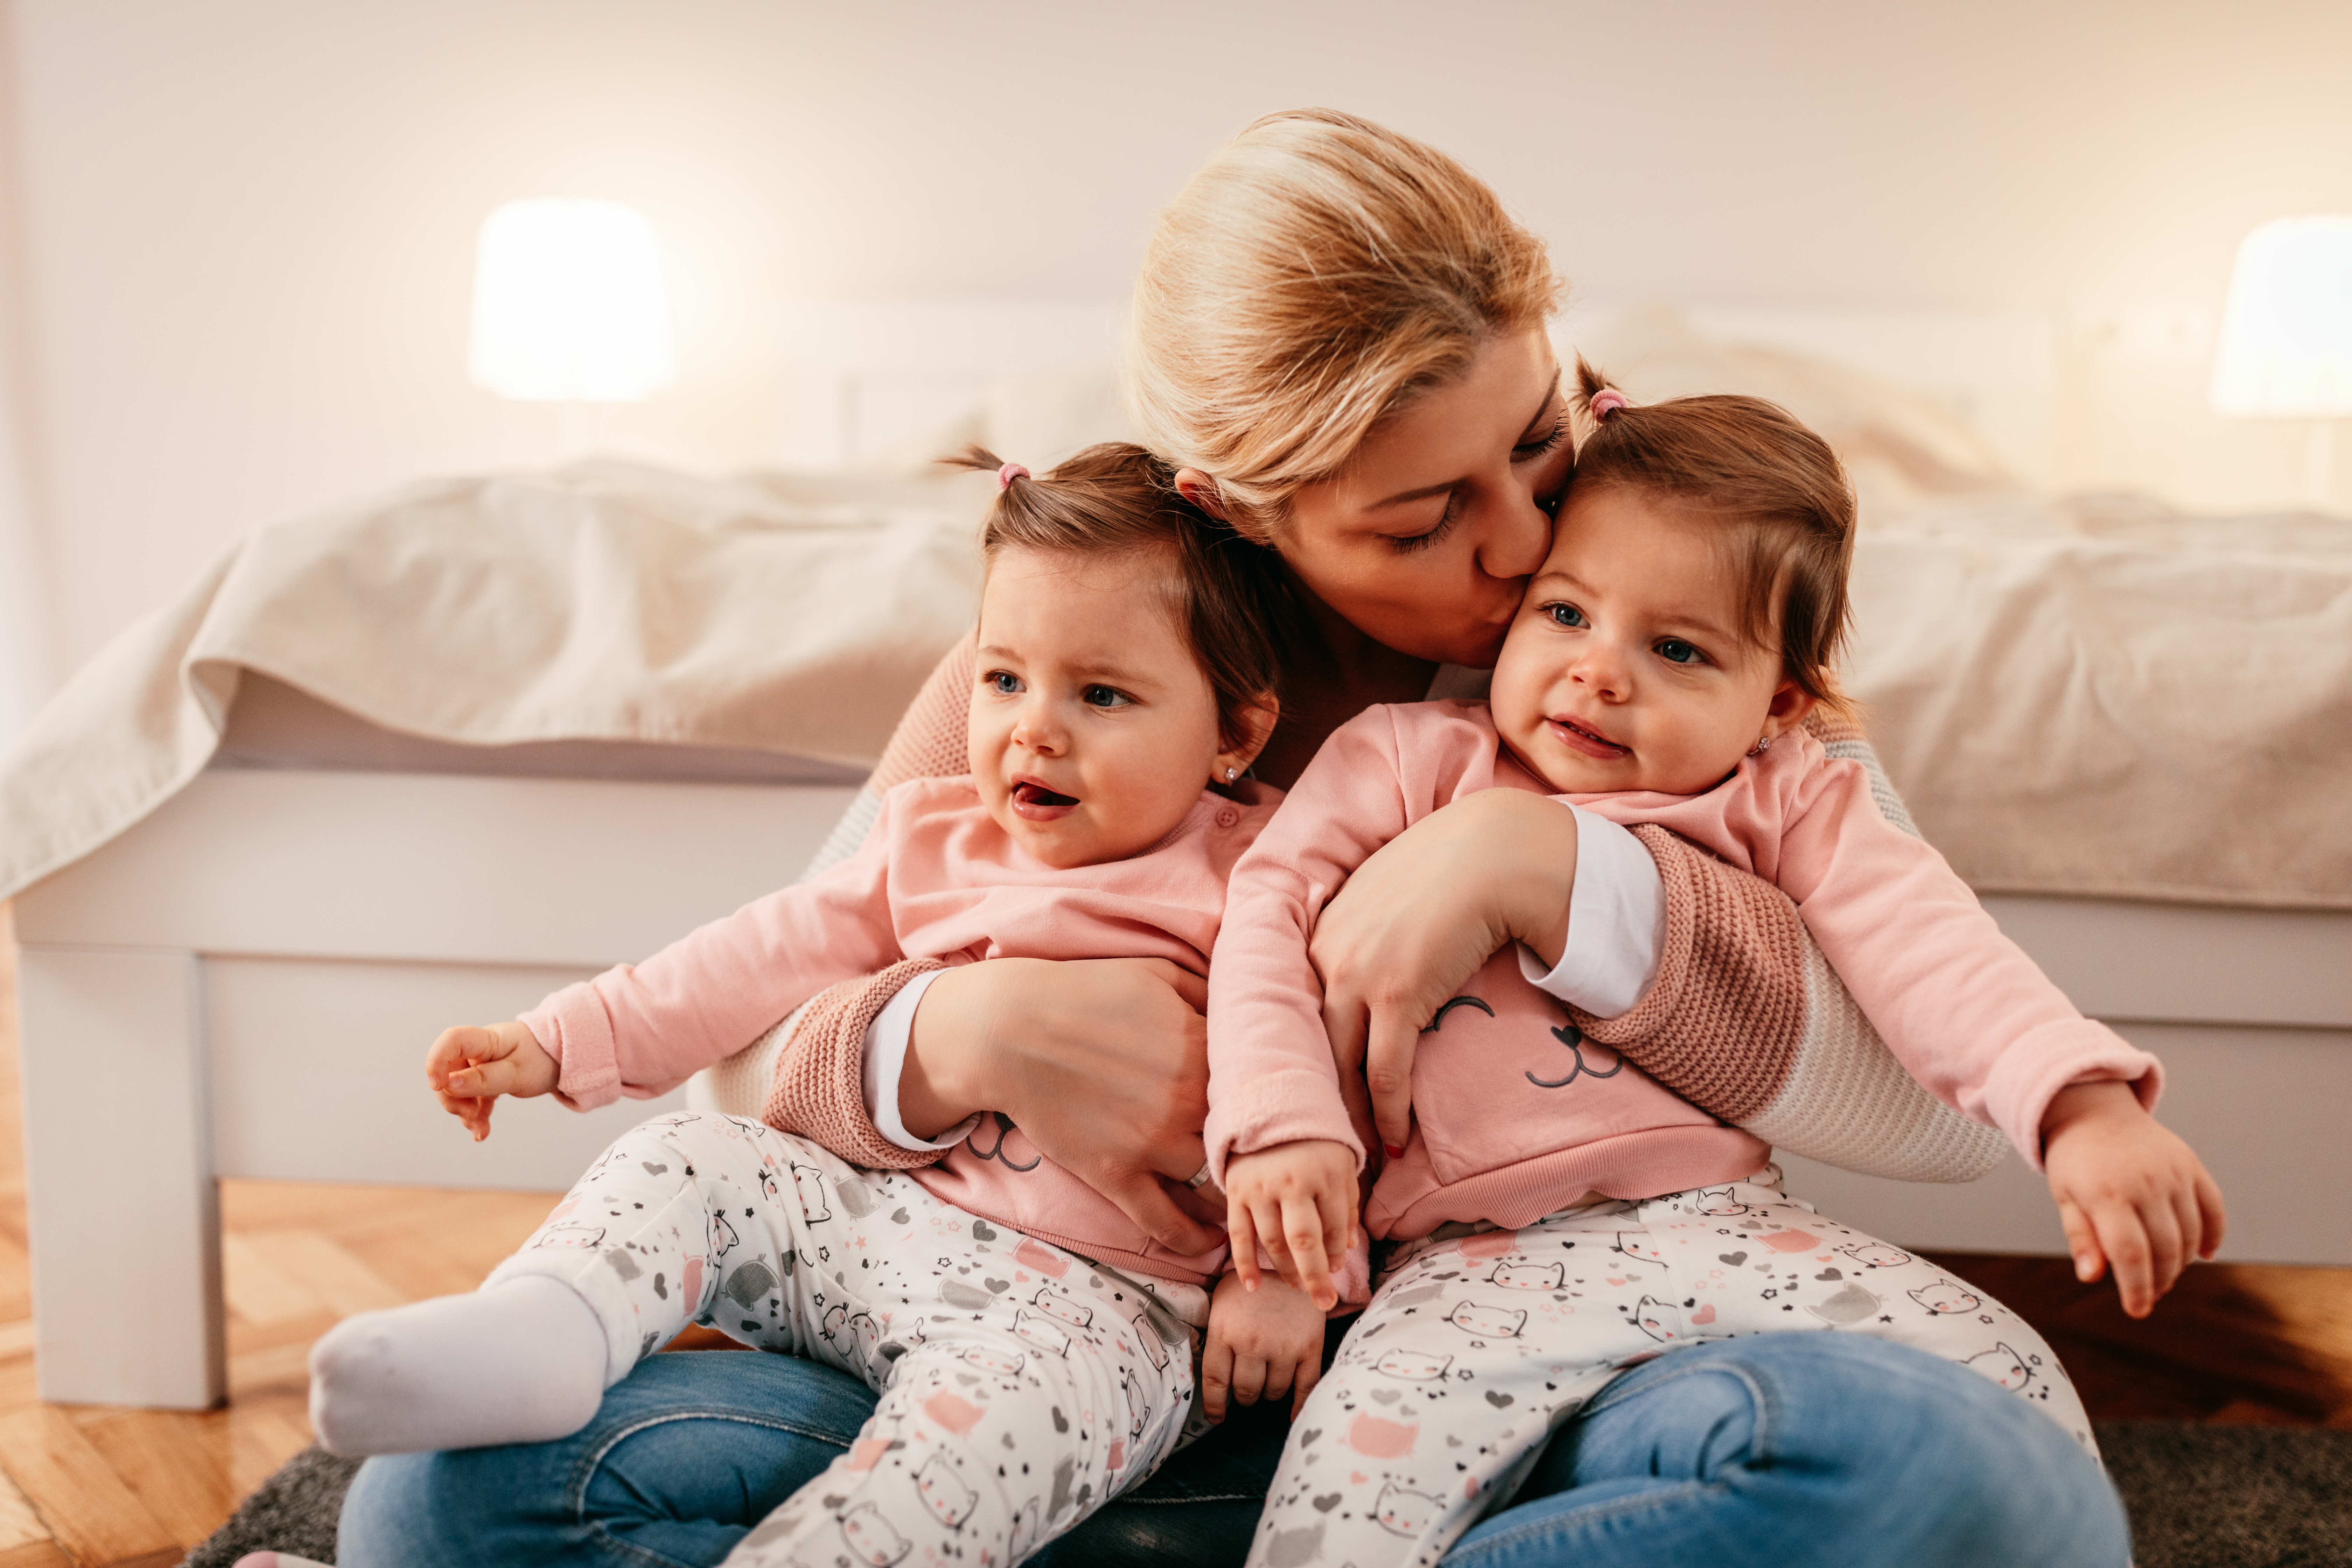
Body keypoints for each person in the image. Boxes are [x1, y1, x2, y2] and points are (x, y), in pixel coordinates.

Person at [335, 110, 2149, 1567]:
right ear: (1244, 510)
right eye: (1432, 513)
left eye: (1545, 432)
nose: (1526, 547)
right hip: (1070, 1359)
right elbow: (784, 994)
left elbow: (1920, 1111)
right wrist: (942, 1042)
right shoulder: (1098, 646)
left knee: (1968, 1490)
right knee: (443, 1501)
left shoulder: (1656, 590)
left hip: (1566, 1367)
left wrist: (1548, 876)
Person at [1209, 369, 2223, 1567]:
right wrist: (1279, 1157)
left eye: (1679, 648)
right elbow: (1262, 919)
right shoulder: (1405, 757)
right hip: (1465, 1264)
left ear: (1777, 699)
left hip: (1723, 1224)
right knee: (1343, 1508)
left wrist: (2081, 1107)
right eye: (1566, 614)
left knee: (2017, 1394)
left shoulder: (1789, 791)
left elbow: (1929, 942)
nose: (1599, 672)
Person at [313, 444, 1337, 1566]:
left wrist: (1277, 1278)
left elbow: (1311, 1093)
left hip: (1103, 1316)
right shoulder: (935, 831)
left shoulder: (1266, 876)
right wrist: (559, 1042)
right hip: (878, 1229)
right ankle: (550, 1325)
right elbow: (751, 960)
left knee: (954, 1467)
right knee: (686, 1158)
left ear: (1236, 735)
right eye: (1004, 680)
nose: (1032, 730)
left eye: (1100, 695)